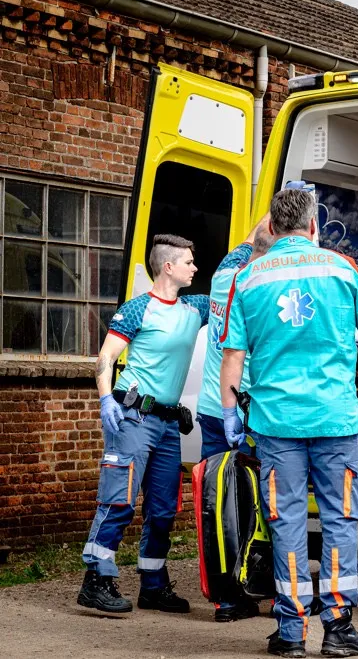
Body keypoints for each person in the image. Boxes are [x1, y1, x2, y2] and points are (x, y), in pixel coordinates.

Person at [220, 188, 358, 658]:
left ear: (272, 228)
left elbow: (233, 353)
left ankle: (291, 632)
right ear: (314, 227)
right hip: (336, 421)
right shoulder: (341, 269)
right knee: (340, 520)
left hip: (277, 425)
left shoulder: (249, 277)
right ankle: (338, 629)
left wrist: (230, 411)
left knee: (286, 521)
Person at [79, 234, 209, 615]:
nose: (195, 268)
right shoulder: (138, 310)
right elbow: (105, 358)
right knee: (119, 499)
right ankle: (96, 581)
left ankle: (152, 586)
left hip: (167, 423)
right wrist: (105, 399)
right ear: (168, 266)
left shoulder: (195, 308)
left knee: (164, 509)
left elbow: (233, 285)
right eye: (189, 262)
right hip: (132, 416)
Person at [195, 216, 273, 623]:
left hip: (212, 409)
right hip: (247, 413)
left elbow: (249, 241)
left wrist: (272, 214)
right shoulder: (261, 286)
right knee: (261, 505)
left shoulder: (225, 274)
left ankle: (225, 598)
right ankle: (270, 590)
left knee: (216, 504)